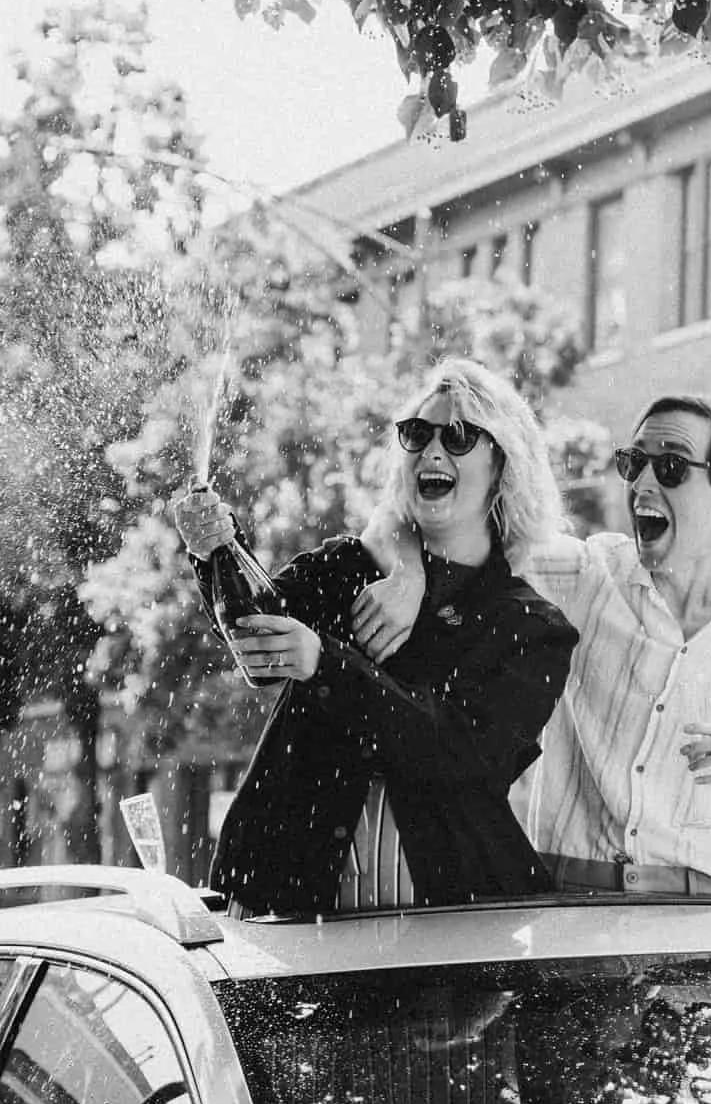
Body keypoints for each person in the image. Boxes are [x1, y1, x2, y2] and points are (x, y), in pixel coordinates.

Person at [359, 391, 711, 895]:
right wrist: (407, 573)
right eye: (634, 463)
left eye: (672, 467)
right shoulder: (584, 575)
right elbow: (424, 515)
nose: (643, 483)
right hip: (566, 907)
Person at [171, 358, 579, 918]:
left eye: (458, 437)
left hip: (441, 929)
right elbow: (257, 644)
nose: (433, 452)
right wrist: (218, 551)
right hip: (286, 903)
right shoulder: (348, 566)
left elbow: (460, 758)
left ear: (503, 463)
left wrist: (327, 665)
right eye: (417, 434)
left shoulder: (531, 628)